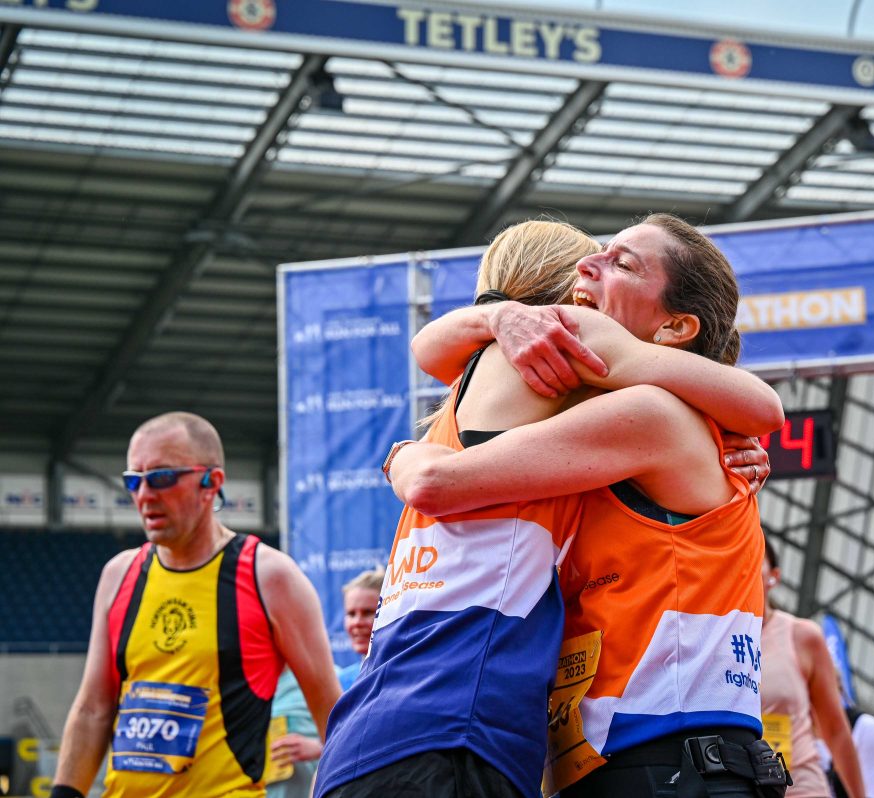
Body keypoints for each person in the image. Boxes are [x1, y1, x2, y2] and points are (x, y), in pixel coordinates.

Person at [314, 218, 783, 798]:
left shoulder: (650, 414)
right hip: (592, 760)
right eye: (593, 257)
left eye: (623, 263)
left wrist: (402, 455)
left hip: (668, 759)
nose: (590, 268)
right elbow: (436, 353)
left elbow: (435, 473)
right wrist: (498, 317)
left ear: (675, 328)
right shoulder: (581, 435)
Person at [50, 411, 342, 798]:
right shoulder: (118, 575)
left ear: (212, 483)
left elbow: (331, 713)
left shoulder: (269, 577)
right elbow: (92, 709)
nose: (144, 495)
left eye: (162, 478)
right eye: (134, 481)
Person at [759, 538, 864, 798]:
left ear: (774, 576)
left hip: (801, 788)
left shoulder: (802, 636)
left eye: (754, 554)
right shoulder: (709, 636)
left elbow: (836, 731)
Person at [266, 568, 382, 798]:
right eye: (351, 614)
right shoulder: (338, 680)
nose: (357, 622)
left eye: (368, 612)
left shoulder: (399, 679)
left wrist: (318, 748)